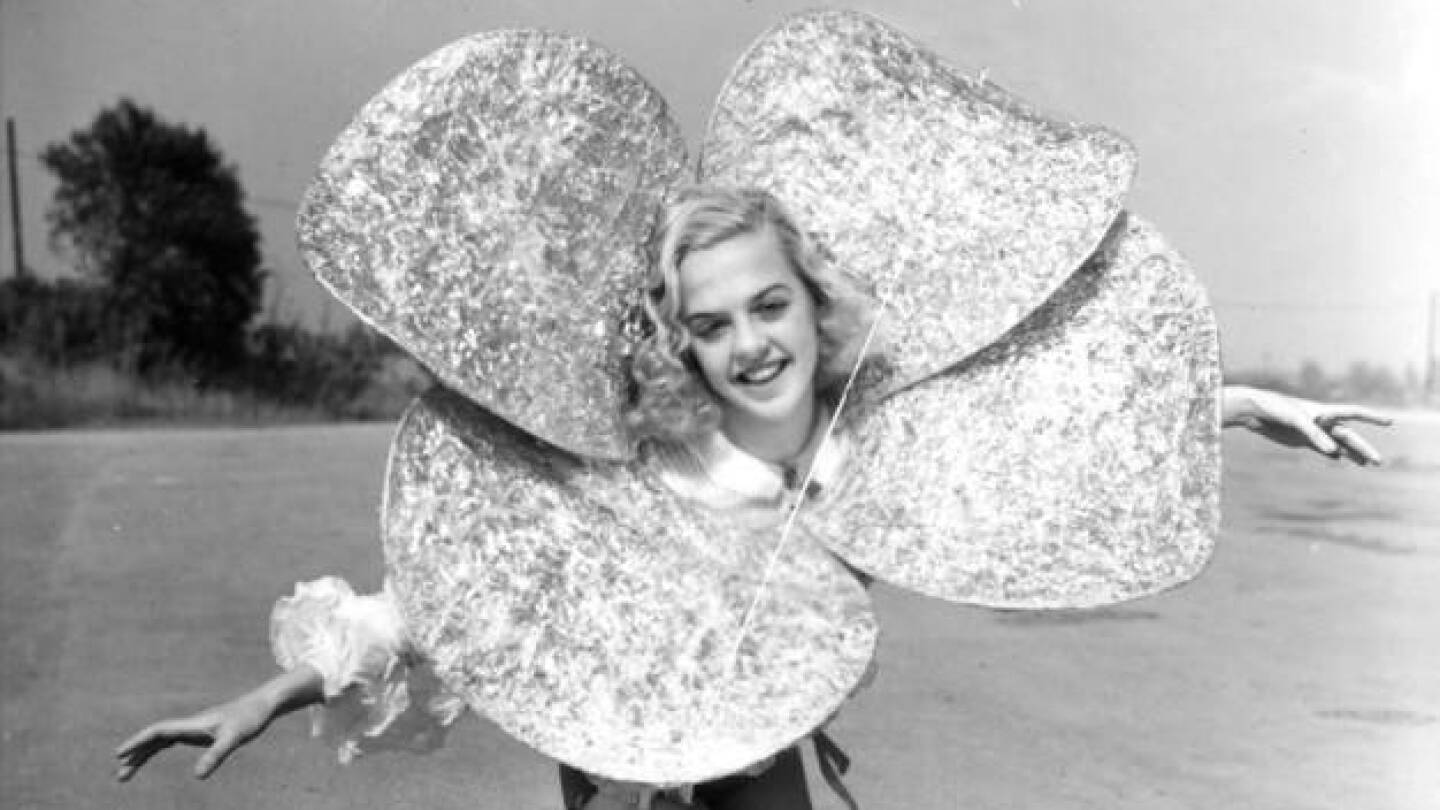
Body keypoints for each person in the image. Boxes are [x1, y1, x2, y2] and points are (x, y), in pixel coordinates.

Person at [114, 186, 1390, 810]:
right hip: (619, 767)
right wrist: (273, 691)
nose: (750, 343)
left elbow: (1042, 434)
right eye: (712, 323)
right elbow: (446, 603)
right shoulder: (645, 468)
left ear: (812, 303)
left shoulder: (857, 448)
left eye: (770, 305)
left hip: (759, 754)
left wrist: (1248, 406)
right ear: (684, 345)